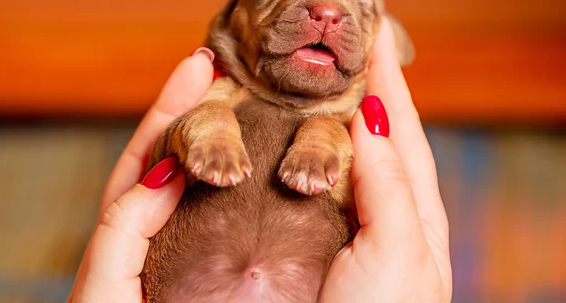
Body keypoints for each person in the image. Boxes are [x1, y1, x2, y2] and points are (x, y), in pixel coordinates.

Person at [66, 17, 452, 302]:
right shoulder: (225, 89)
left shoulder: (342, 123)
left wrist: (325, 140)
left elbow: (350, 191)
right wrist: (210, 131)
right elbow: (191, 126)